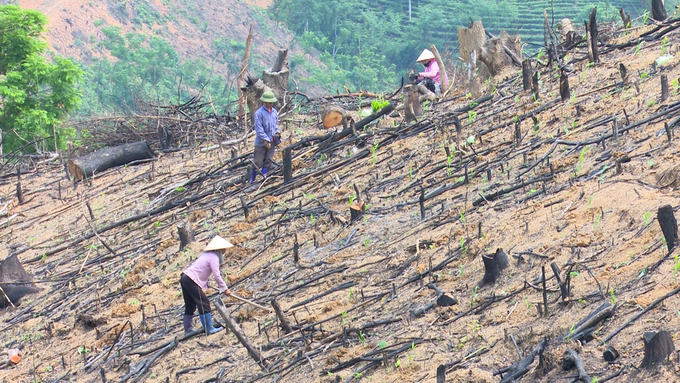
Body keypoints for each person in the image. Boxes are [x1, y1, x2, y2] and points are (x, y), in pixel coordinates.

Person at [180, 236, 233, 335]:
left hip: (185, 277)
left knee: (190, 305)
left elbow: (201, 270)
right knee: (203, 303)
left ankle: (188, 330)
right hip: (191, 279)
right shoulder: (214, 258)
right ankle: (209, 328)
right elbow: (217, 275)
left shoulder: (207, 255)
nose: (225, 251)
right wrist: (225, 289)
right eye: (224, 249)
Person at [249, 90, 281, 183]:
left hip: (272, 141)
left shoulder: (274, 112)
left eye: (271, 102)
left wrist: (277, 132)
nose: (270, 104)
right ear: (264, 102)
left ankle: (264, 178)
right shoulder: (259, 113)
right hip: (260, 142)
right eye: (268, 102)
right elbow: (259, 129)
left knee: (268, 160)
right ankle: (252, 180)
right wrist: (265, 139)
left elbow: (275, 125)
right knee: (258, 161)